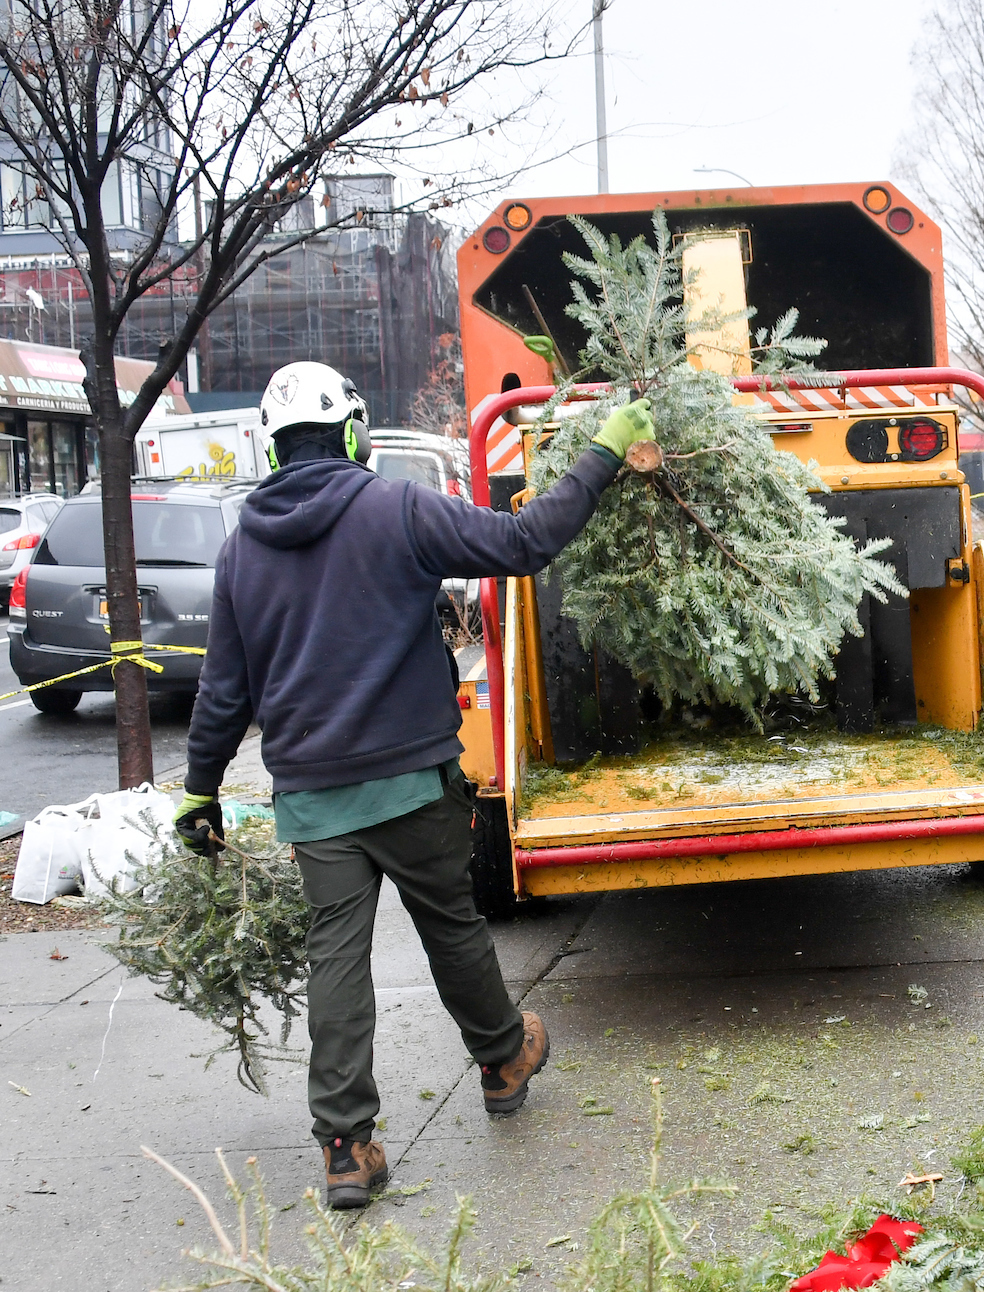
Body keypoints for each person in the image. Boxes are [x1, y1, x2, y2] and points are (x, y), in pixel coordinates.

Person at [174, 361, 654, 1209]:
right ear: (354, 432)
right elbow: (522, 543)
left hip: (313, 804)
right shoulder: (394, 508)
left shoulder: (241, 547)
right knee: (452, 929)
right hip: (410, 784)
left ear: (271, 444)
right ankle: (504, 1059)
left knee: (338, 962)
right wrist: (605, 452)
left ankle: (347, 1150)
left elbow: (224, 690)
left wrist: (199, 793)